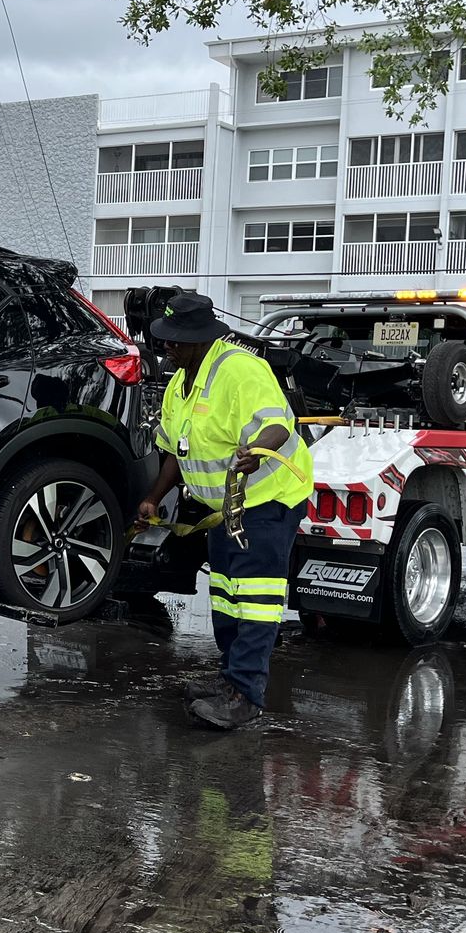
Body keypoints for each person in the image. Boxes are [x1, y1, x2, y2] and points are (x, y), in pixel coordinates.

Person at [135, 292, 313, 730]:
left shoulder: (241, 370)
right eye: (165, 339)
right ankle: (229, 679)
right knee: (226, 597)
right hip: (223, 510)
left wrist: (257, 452)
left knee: (255, 602)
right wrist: (153, 498)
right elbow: (175, 450)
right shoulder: (181, 382)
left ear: (199, 339)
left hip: (267, 501)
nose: (167, 347)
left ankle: (246, 696)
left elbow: (277, 422)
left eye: (176, 340)